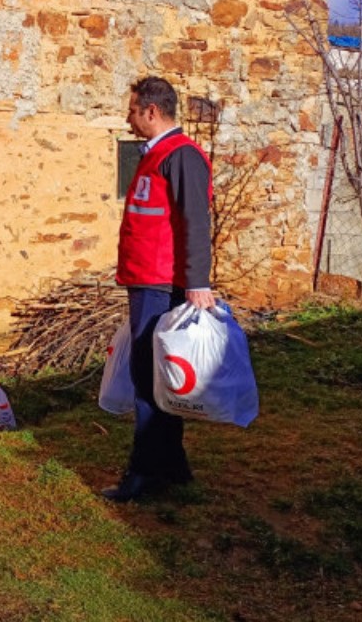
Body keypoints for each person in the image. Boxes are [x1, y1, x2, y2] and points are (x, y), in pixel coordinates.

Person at [104, 76, 215, 502]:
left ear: (151, 111)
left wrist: (197, 282)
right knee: (154, 375)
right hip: (144, 278)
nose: (128, 119)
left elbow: (195, 221)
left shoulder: (181, 155)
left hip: (160, 281)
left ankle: (145, 472)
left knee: (148, 377)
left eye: (132, 111)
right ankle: (171, 465)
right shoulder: (156, 155)